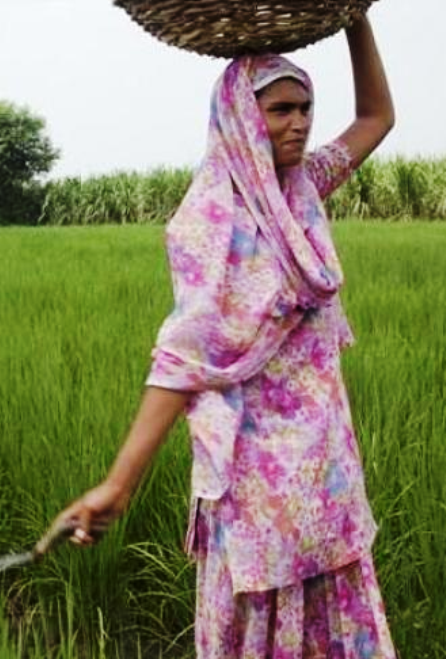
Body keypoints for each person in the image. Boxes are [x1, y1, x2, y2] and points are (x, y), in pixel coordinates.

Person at [49, 15, 396, 657]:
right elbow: (182, 359)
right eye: (281, 109)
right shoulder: (210, 221)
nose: (300, 123)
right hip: (258, 484)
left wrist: (356, 17)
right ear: (240, 115)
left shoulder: (302, 189)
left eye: (306, 108)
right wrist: (119, 485)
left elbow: (376, 117)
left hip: (326, 470)